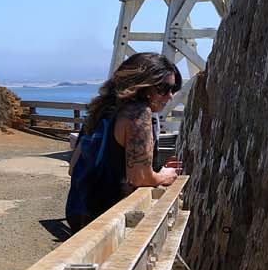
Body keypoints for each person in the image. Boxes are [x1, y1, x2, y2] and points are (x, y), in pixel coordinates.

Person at [76, 53, 188, 218]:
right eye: (164, 88)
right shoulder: (138, 113)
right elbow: (140, 177)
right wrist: (163, 175)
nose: (170, 96)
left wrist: (155, 169)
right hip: (114, 216)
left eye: (173, 89)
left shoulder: (101, 111)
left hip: (85, 210)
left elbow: (74, 166)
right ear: (142, 85)